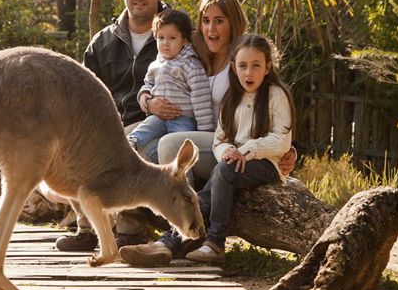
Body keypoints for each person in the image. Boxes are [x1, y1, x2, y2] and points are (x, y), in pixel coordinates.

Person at [120, 34, 295, 265]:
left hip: (267, 165)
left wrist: (247, 151)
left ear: (267, 67)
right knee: (214, 183)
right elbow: (219, 140)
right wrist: (227, 152)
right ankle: (168, 244)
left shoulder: (276, 95)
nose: (248, 73)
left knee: (222, 172)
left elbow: (281, 140)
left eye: (256, 66)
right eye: (242, 66)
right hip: (234, 164)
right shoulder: (232, 98)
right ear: (233, 67)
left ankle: (214, 242)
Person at [55, 0, 167, 252]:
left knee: (127, 148)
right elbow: (82, 93)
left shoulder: (176, 35)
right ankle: (87, 229)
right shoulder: (102, 41)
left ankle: (130, 231)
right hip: (107, 122)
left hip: (153, 123)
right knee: (66, 147)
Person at [139, 0, 298, 183]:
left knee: (168, 146)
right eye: (206, 20)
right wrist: (147, 99)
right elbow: (160, 68)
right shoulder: (192, 49)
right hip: (184, 127)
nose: (211, 29)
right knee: (143, 147)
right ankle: (140, 212)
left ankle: (187, 207)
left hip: (225, 143)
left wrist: (289, 149)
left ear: (233, 23)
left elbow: (273, 102)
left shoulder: (244, 59)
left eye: (219, 21)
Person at [126, 8, 212, 161]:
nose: (165, 43)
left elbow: (201, 99)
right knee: (146, 127)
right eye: (160, 38)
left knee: (177, 152)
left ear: (184, 40)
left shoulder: (190, 65)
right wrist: (145, 97)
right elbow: (148, 84)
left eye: (172, 38)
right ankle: (130, 144)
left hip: (183, 119)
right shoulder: (156, 64)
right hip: (158, 117)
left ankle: (185, 179)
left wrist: (205, 130)